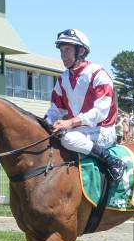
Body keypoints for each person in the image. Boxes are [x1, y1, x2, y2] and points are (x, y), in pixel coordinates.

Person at [45, 28, 125, 181]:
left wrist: (69, 122)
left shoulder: (98, 73)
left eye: (67, 50)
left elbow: (100, 112)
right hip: (79, 131)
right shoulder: (63, 78)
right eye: (61, 50)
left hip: (102, 130)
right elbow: (55, 110)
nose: (63, 55)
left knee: (67, 139)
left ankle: (111, 160)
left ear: (80, 51)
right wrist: (46, 123)